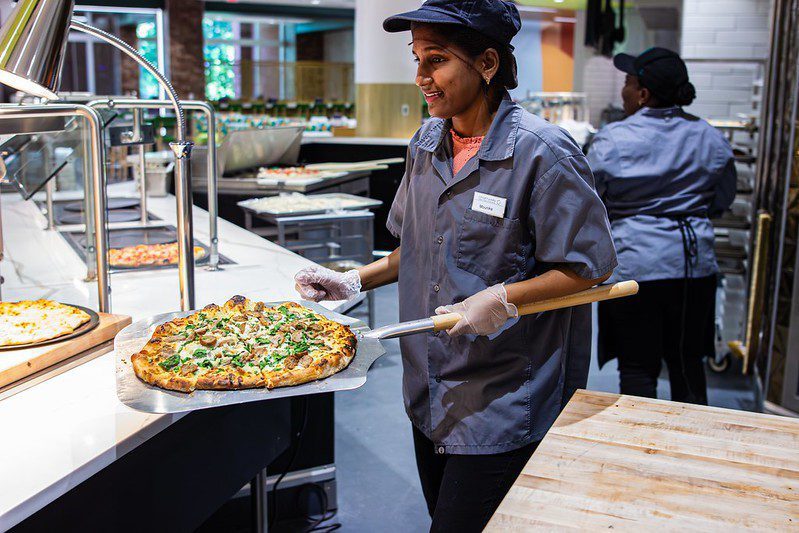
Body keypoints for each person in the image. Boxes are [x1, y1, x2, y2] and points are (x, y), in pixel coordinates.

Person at [294, 1, 617, 530]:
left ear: (487, 64)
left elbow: (590, 269)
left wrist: (506, 298)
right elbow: (417, 249)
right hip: (429, 391)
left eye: (436, 60)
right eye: (417, 58)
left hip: (504, 396)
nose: (421, 76)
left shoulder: (541, 153)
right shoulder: (426, 144)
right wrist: (353, 278)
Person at [588, 47, 737, 405]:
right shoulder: (710, 137)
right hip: (693, 267)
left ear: (643, 94)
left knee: (638, 367)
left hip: (635, 269)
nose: (622, 91)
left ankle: (642, 452)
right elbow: (723, 199)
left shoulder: (612, 139)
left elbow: (589, 202)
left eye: (627, 83)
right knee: (688, 363)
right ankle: (694, 450)